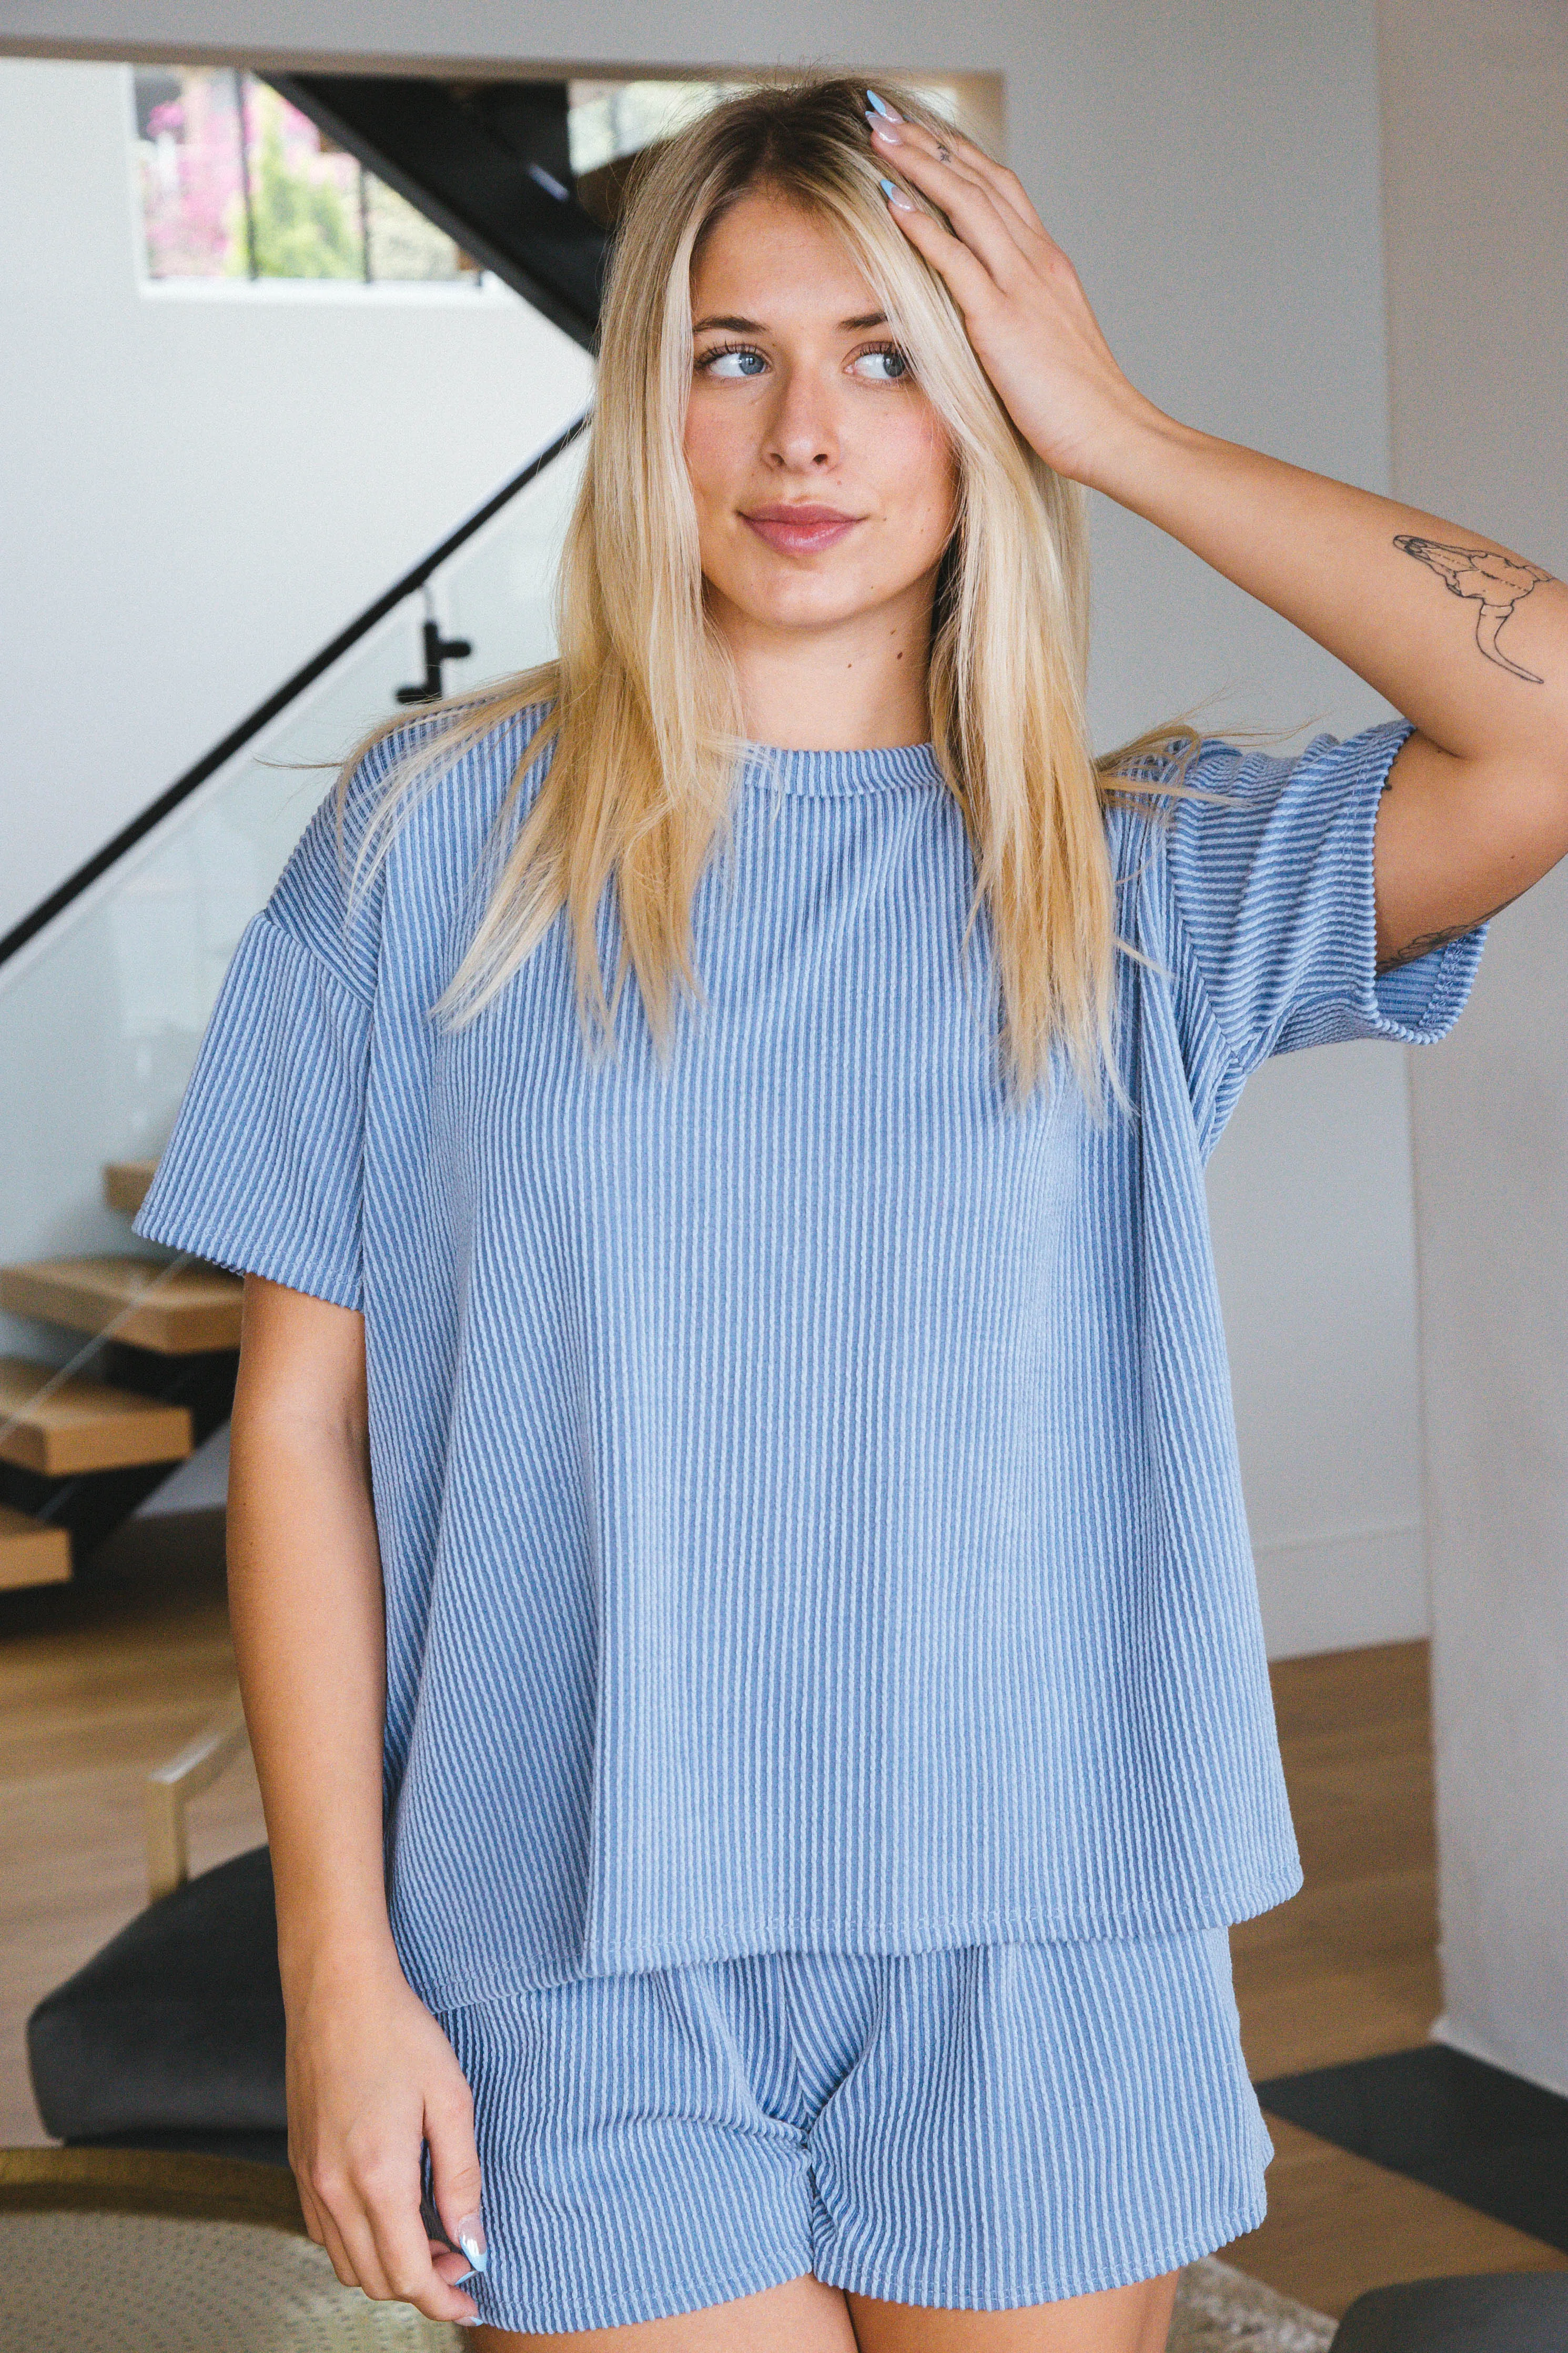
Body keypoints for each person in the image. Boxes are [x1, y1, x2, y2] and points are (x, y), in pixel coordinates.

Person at [133, 73, 1566, 2353]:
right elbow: (299, 1435)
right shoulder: (428, 844)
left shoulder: (1129, 878)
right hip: (571, 1927)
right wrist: (339, 1966)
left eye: (889, 353)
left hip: (1043, 1942)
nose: (806, 432)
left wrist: (1119, 429)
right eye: (735, 353)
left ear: (978, 402)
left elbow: (1548, 720)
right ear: (653, 408)